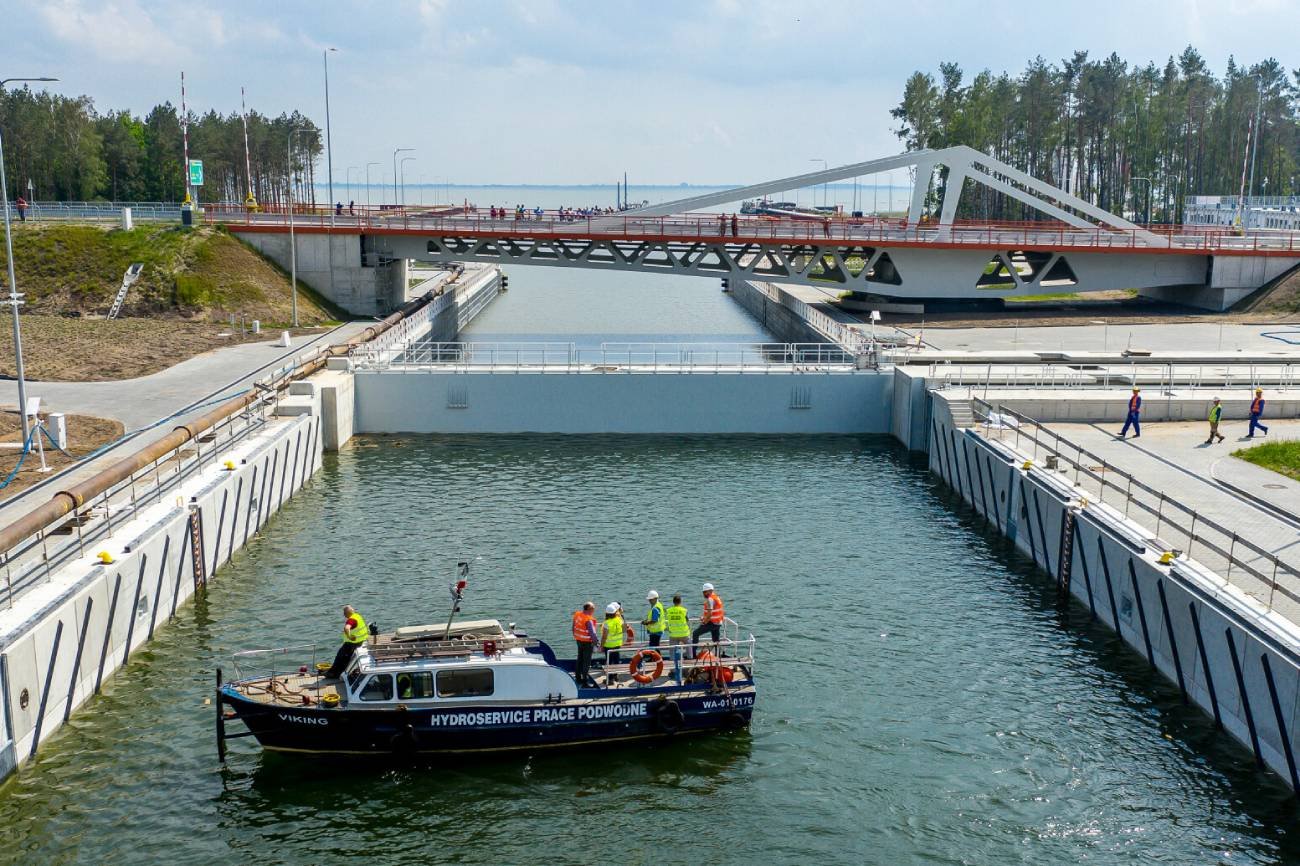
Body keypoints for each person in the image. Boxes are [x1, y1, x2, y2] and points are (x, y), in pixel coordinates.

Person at [324, 604, 369, 678]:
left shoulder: (351, 619)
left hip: (352, 643)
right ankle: (338, 672)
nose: (344, 615)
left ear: (347, 613)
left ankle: (333, 674)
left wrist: (350, 636)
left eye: (344, 613)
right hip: (361, 641)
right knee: (345, 658)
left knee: (340, 657)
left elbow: (347, 628)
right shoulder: (357, 616)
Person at [691, 582, 724, 656]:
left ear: (710, 591)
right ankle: (718, 655)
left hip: (712, 623)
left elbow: (709, 614)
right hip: (718, 622)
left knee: (695, 633)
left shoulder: (710, 599)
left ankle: (693, 654)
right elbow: (712, 612)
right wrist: (704, 617)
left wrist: (704, 622)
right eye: (703, 592)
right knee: (716, 640)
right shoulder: (716, 597)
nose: (704, 594)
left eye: (705, 592)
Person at [571, 601, 599, 687]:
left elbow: (573, 627)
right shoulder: (588, 620)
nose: (594, 610)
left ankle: (578, 677)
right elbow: (593, 634)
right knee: (586, 662)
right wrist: (596, 644)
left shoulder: (577, 615)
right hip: (587, 643)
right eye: (593, 608)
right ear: (589, 609)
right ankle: (585, 682)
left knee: (580, 659)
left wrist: (576, 636)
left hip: (579, 640)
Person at [601, 603, 626, 668]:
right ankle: (615, 675)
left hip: (608, 645)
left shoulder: (606, 623)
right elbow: (624, 630)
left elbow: (604, 637)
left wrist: (601, 646)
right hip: (618, 644)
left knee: (609, 661)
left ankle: (610, 676)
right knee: (616, 659)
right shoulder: (620, 620)